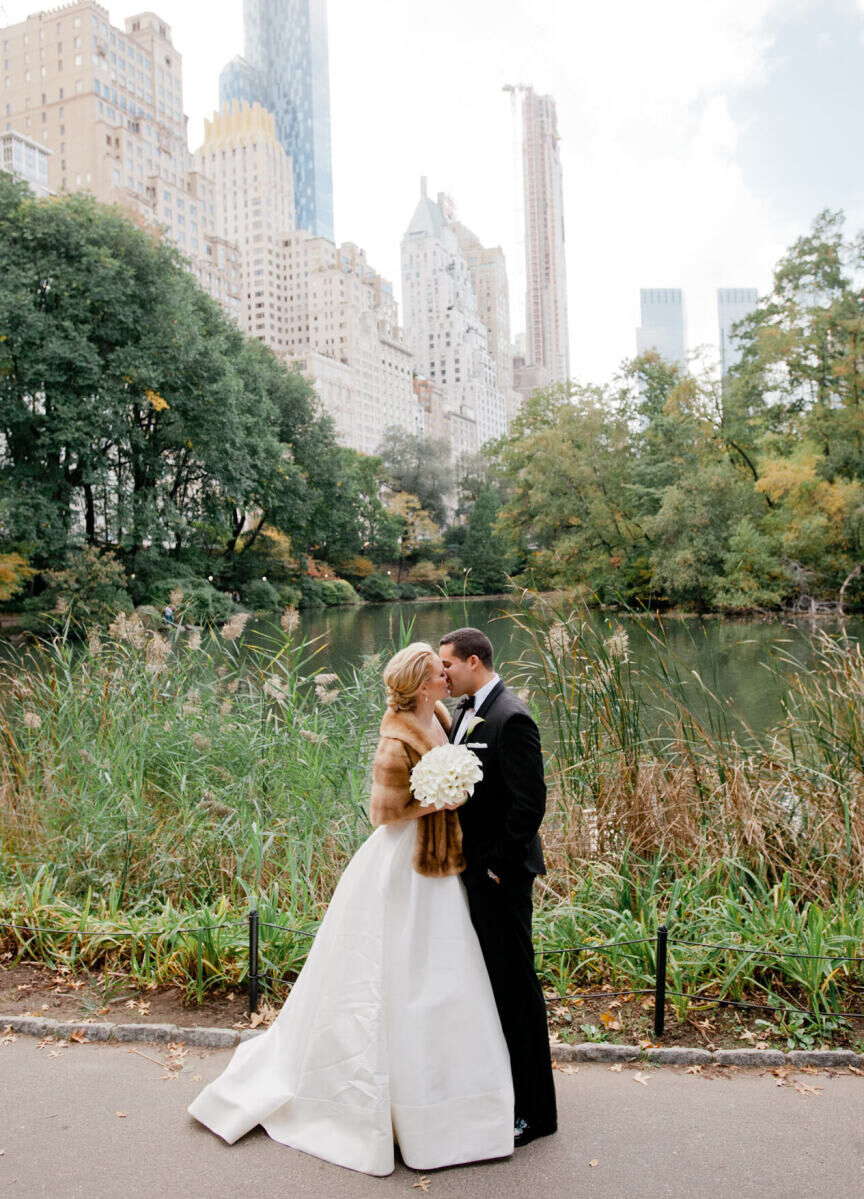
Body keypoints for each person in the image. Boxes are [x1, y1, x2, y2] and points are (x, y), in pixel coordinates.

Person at [188, 642, 514, 1175]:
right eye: (438, 672)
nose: (446, 678)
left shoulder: (437, 715)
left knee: (444, 975)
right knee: (396, 973)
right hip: (403, 864)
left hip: (439, 863)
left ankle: (453, 1092)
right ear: (420, 682)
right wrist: (442, 796)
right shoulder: (395, 738)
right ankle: (382, 1097)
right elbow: (384, 812)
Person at [438, 627, 557, 1149]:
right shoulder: (467, 712)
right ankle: (507, 1092)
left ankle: (537, 1112)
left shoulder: (512, 716)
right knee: (494, 987)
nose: (443, 673)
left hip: (501, 878)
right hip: (474, 871)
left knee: (517, 989)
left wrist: (496, 869)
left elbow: (530, 805)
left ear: (472, 661)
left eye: (447, 664)